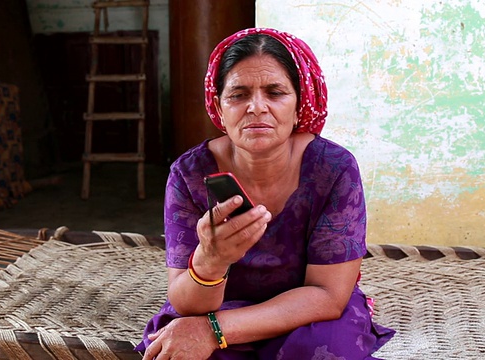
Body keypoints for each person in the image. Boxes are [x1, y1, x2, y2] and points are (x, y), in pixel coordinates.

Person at [135, 27, 395, 360]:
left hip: (306, 311)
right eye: (238, 94)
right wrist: (210, 263)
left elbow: (328, 295)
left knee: (318, 351)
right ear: (218, 107)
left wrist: (214, 331)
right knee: (178, 349)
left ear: (300, 105)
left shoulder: (333, 169)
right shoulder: (190, 174)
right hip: (219, 303)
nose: (257, 107)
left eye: (275, 92)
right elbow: (185, 301)